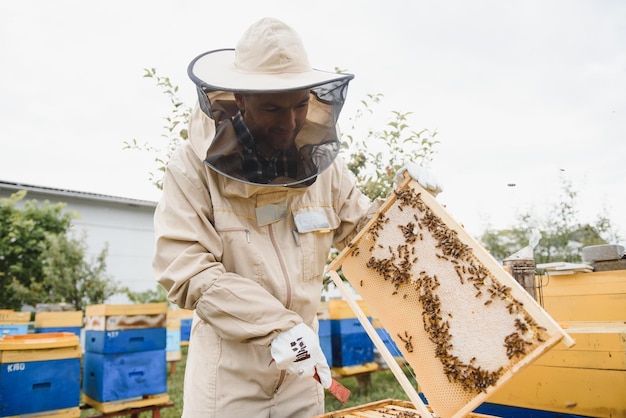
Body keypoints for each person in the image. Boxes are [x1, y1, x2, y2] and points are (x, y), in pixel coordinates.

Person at [153, 17, 442, 418]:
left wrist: (407, 207)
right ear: (240, 99)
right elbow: (187, 271)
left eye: (300, 105)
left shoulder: (327, 171)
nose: (289, 123)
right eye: (272, 108)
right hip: (230, 374)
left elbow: (366, 238)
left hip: (304, 372)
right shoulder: (191, 169)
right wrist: (277, 326)